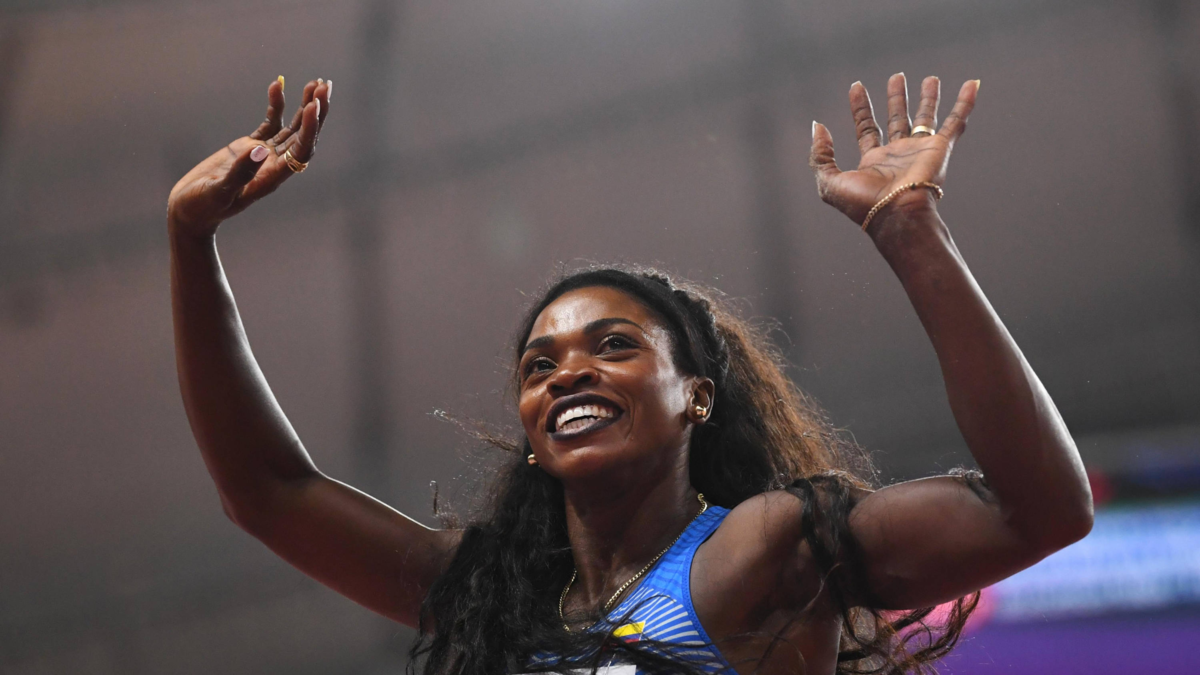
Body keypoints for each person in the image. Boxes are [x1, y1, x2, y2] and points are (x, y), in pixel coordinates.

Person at [166, 73, 1093, 675]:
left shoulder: (763, 550)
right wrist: (189, 238)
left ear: (697, 396)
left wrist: (910, 232)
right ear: (530, 430)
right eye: (540, 365)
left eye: (613, 346)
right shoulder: (496, 596)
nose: (567, 374)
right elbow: (267, 491)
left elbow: (1041, 511)